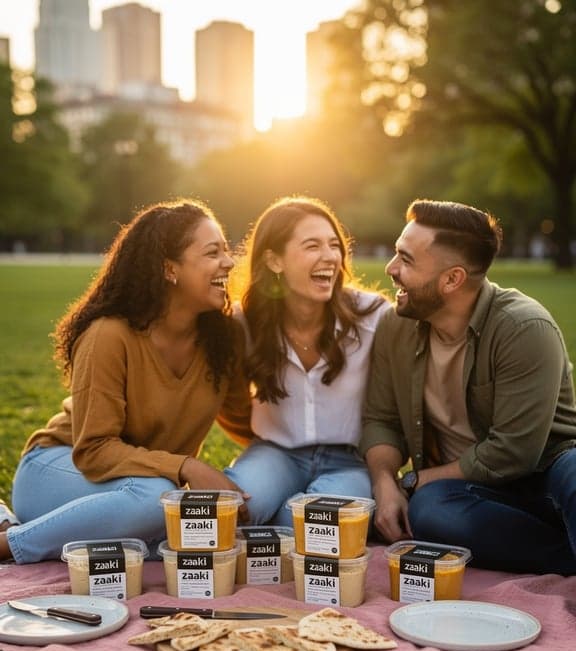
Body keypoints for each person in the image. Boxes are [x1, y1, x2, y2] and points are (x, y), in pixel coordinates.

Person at [0, 199, 252, 564]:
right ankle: (12, 543)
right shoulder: (109, 335)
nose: (229, 263)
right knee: (158, 501)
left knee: (192, 529)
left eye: (226, 251)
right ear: (170, 269)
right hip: (60, 469)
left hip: (142, 488)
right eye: (213, 253)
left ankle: (46, 532)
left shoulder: (222, 338)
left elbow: (248, 421)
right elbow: (94, 451)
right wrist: (187, 466)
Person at [360, 199, 576, 575]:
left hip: (545, 477)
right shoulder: (396, 326)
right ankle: (564, 556)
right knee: (431, 512)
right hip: (466, 492)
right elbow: (381, 419)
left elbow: (513, 453)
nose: (390, 269)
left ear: (452, 279)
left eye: (406, 260)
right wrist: (384, 483)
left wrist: (414, 479)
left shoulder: (524, 328)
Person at [224, 195, 390, 526]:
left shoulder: (373, 316)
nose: (330, 257)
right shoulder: (245, 323)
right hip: (275, 453)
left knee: (306, 528)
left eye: (334, 245)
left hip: (349, 461)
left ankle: (288, 512)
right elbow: (228, 401)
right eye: (312, 246)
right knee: (231, 516)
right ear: (274, 261)